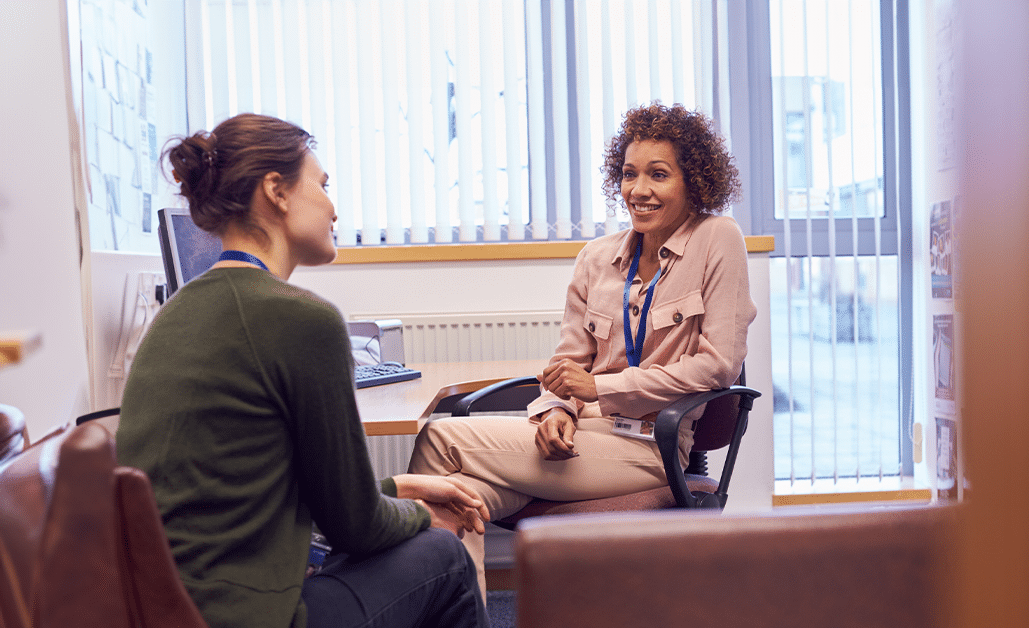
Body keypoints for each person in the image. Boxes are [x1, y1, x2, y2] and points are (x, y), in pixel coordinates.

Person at [117, 113, 491, 628]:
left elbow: (271, 497)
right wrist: (427, 515)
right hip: (249, 616)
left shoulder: (174, 316)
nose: (334, 208)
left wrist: (401, 488)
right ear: (276, 191)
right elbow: (356, 529)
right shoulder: (297, 317)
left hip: (168, 610)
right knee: (443, 556)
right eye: (322, 184)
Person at [407, 102, 756, 592]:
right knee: (457, 497)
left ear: (693, 182)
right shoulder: (597, 258)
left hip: (652, 443)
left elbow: (717, 366)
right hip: (582, 440)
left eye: (659, 175)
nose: (639, 190)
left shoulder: (718, 238)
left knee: (439, 441)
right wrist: (555, 411)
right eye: (629, 174)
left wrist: (598, 388)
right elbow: (568, 361)